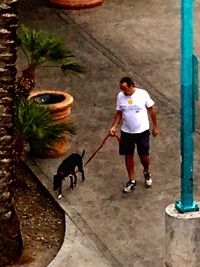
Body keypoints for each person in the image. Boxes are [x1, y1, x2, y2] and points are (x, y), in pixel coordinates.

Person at [109, 77, 158, 193]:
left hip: (142, 131)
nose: (123, 92)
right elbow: (119, 113)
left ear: (132, 86)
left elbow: (152, 110)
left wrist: (155, 126)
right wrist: (114, 126)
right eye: (121, 89)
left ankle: (146, 171)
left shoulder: (142, 94)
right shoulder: (120, 96)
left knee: (144, 157)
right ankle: (132, 180)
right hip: (127, 132)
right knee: (128, 156)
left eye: (125, 89)